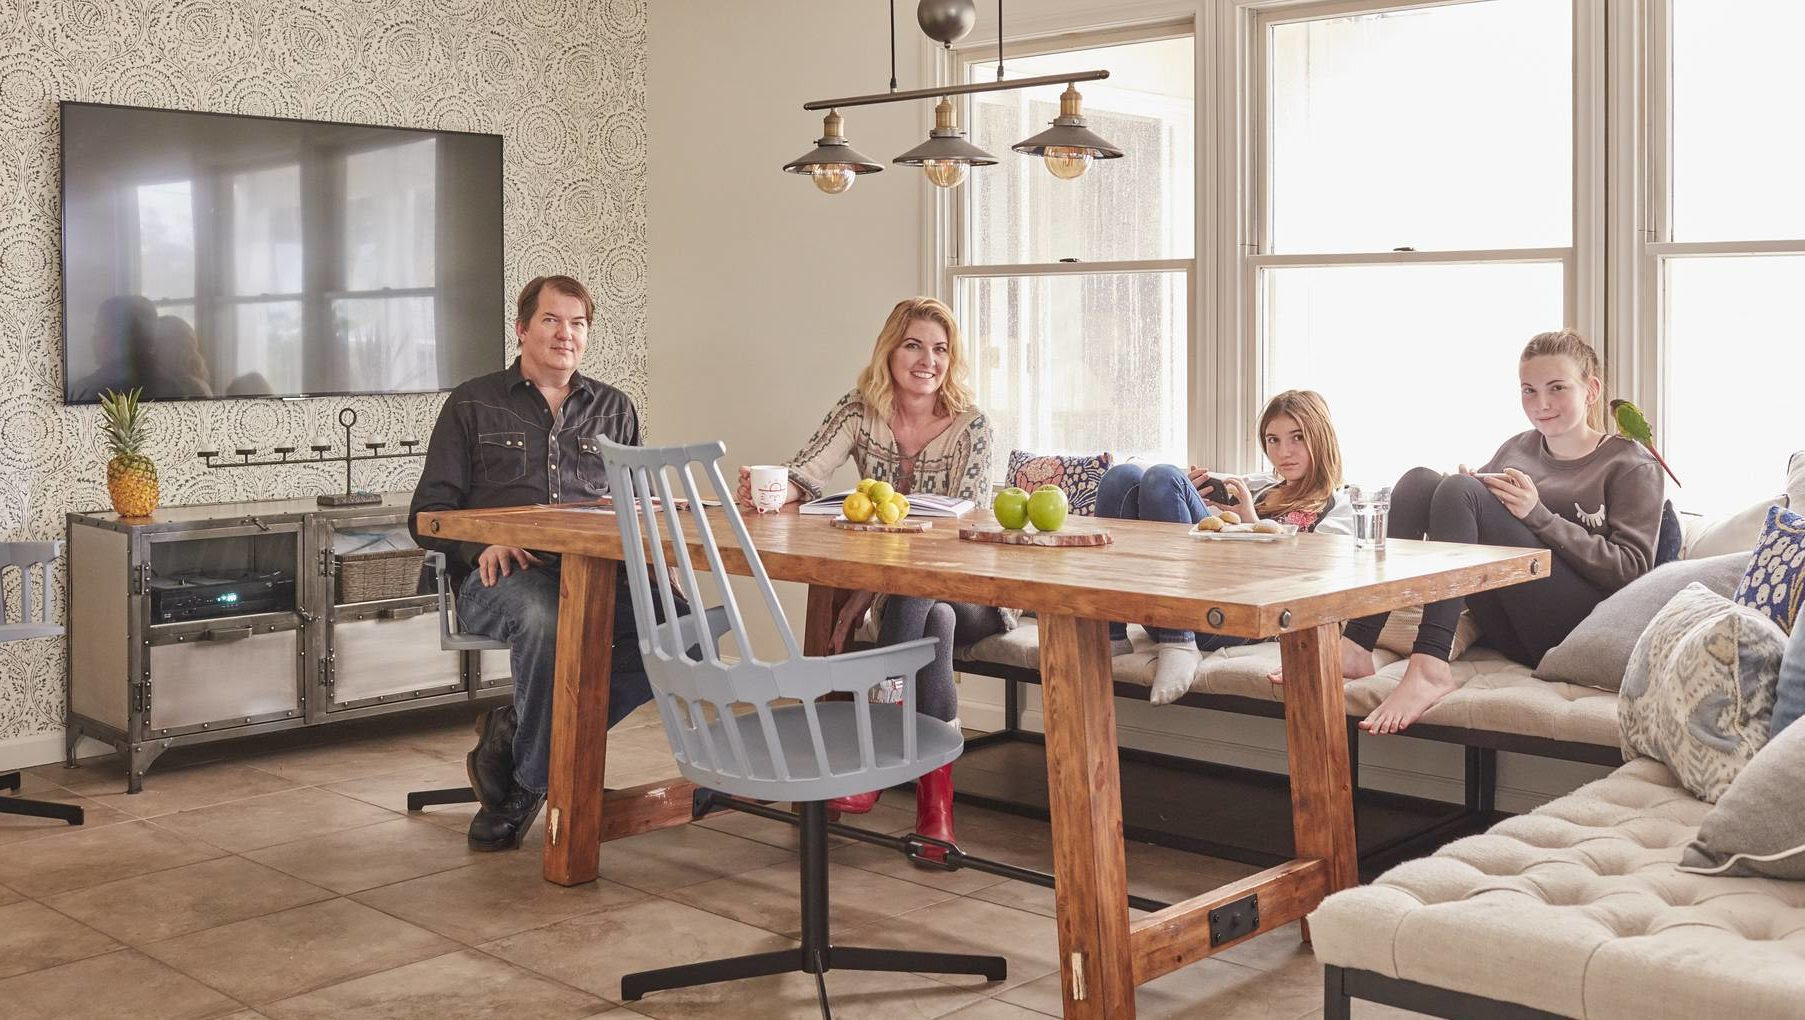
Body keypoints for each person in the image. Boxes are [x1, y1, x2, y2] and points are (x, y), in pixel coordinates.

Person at [411, 275, 678, 851]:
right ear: (522, 328)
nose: (566, 334)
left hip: (600, 574)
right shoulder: (472, 403)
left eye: (578, 323)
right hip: (499, 577)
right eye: (552, 320)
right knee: (548, 619)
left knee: (683, 628)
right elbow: (427, 515)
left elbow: (633, 504)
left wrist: (657, 545)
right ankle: (536, 775)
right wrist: (481, 543)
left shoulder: (615, 408)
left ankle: (522, 756)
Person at [734, 296, 1000, 860]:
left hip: (973, 591)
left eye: (940, 350)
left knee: (931, 602)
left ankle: (876, 760)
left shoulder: (971, 426)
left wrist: (859, 601)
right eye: (914, 346)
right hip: (911, 598)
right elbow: (808, 471)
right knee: (932, 621)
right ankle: (936, 814)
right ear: (889, 352)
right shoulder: (860, 411)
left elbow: (962, 532)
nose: (928, 361)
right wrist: (771, 490)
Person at [1321, 330, 1663, 734]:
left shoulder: (1630, 463)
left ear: (1591, 390)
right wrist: (1468, 487)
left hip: (1574, 631)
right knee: (1420, 482)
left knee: (1459, 490)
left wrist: (1539, 515)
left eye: (1557, 388)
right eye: (1529, 390)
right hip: (1508, 627)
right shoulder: (1518, 448)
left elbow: (1631, 570)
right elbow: (1464, 506)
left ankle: (1429, 665)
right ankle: (1357, 642)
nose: (1542, 403)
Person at [1095, 390, 1354, 704]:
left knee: (1164, 477)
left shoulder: (1340, 506)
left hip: (1239, 619)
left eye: (1297, 437)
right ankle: (1112, 635)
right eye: (1273, 440)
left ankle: (1180, 639)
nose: (1283, 452)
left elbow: (1312, 582)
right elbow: (1158, 480)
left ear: (1321, 437)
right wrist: (1188, 490)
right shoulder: (1259, 486)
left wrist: (1250, 520)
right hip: (1177, 604)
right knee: (1122, 477)